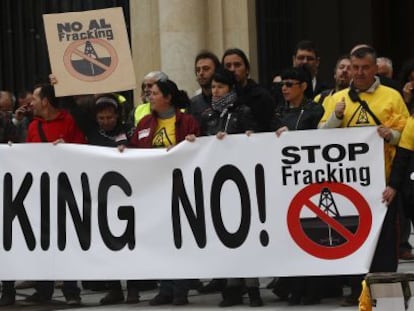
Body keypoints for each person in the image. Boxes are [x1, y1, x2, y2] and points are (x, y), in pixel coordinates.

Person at [319, 45, 409, 306]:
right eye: (354, 67)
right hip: (348, 186)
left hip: (383, 184)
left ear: (374, 68)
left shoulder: (391, 97)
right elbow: (319, 137)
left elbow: (407, 138)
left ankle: (385, 294)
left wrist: (389, 135)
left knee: (384, 243)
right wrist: (336, 118)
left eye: (364, 68)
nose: (358, 73)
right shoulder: (336, 99)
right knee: (351, 239)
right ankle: (356, 291)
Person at [187, 67, 262, 307]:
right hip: (217, 183)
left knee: (246, 235)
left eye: (221, 87)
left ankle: (252, 288)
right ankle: (231, 286)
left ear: (231, 89)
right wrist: (194, 141)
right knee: (226, 234)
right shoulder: (209, 116)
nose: (216, 91)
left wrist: (248, 136)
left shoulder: (243, 111)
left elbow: (256, 139)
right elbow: (202, 141)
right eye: (213, 87)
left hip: (243, 182)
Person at [128, 79, 199, 306]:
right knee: (160, 239)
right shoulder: (145, 123)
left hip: (180, 188)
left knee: (180, 238)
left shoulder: (187, 122)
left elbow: (199, 150)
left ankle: (181, 288)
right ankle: (165, 288)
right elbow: (135, 149)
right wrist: (124, 150)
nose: (150, 96)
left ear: (168, 97)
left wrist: (192, 143)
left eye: (155, 93)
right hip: (154, 189)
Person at [19, 83, 86, 306]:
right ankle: (43, 290)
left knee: (67, 242)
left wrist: (67, 147)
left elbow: (83, 150)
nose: (31, 103)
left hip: (66, 191)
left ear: (45, 101)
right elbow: (27, 157)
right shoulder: (32, 126)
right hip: (41, 193)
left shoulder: (68, 121)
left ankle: (71, 291)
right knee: (42, 241)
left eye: (35, 99)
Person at [271, 67, 326, 306]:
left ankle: (312, 288)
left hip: (309, 180)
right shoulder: (277, 112)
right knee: (290, 238)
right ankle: (293, 287)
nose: (284, 88)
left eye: (290, 83)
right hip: (284, 182)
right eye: (282, 84)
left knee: (309, 233)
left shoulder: (315, 110)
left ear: (303, 86)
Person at [222, 48, 275, 132]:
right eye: (228, 66)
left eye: (237, 65)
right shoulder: (218, 98)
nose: (232, 69)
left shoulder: (262, 97)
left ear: (247, 69)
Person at [188, 50, 221, 123]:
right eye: (198, 70)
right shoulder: (192, 104)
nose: (201, 73)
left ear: (217, 71)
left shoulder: (228, 100)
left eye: (206, 69)